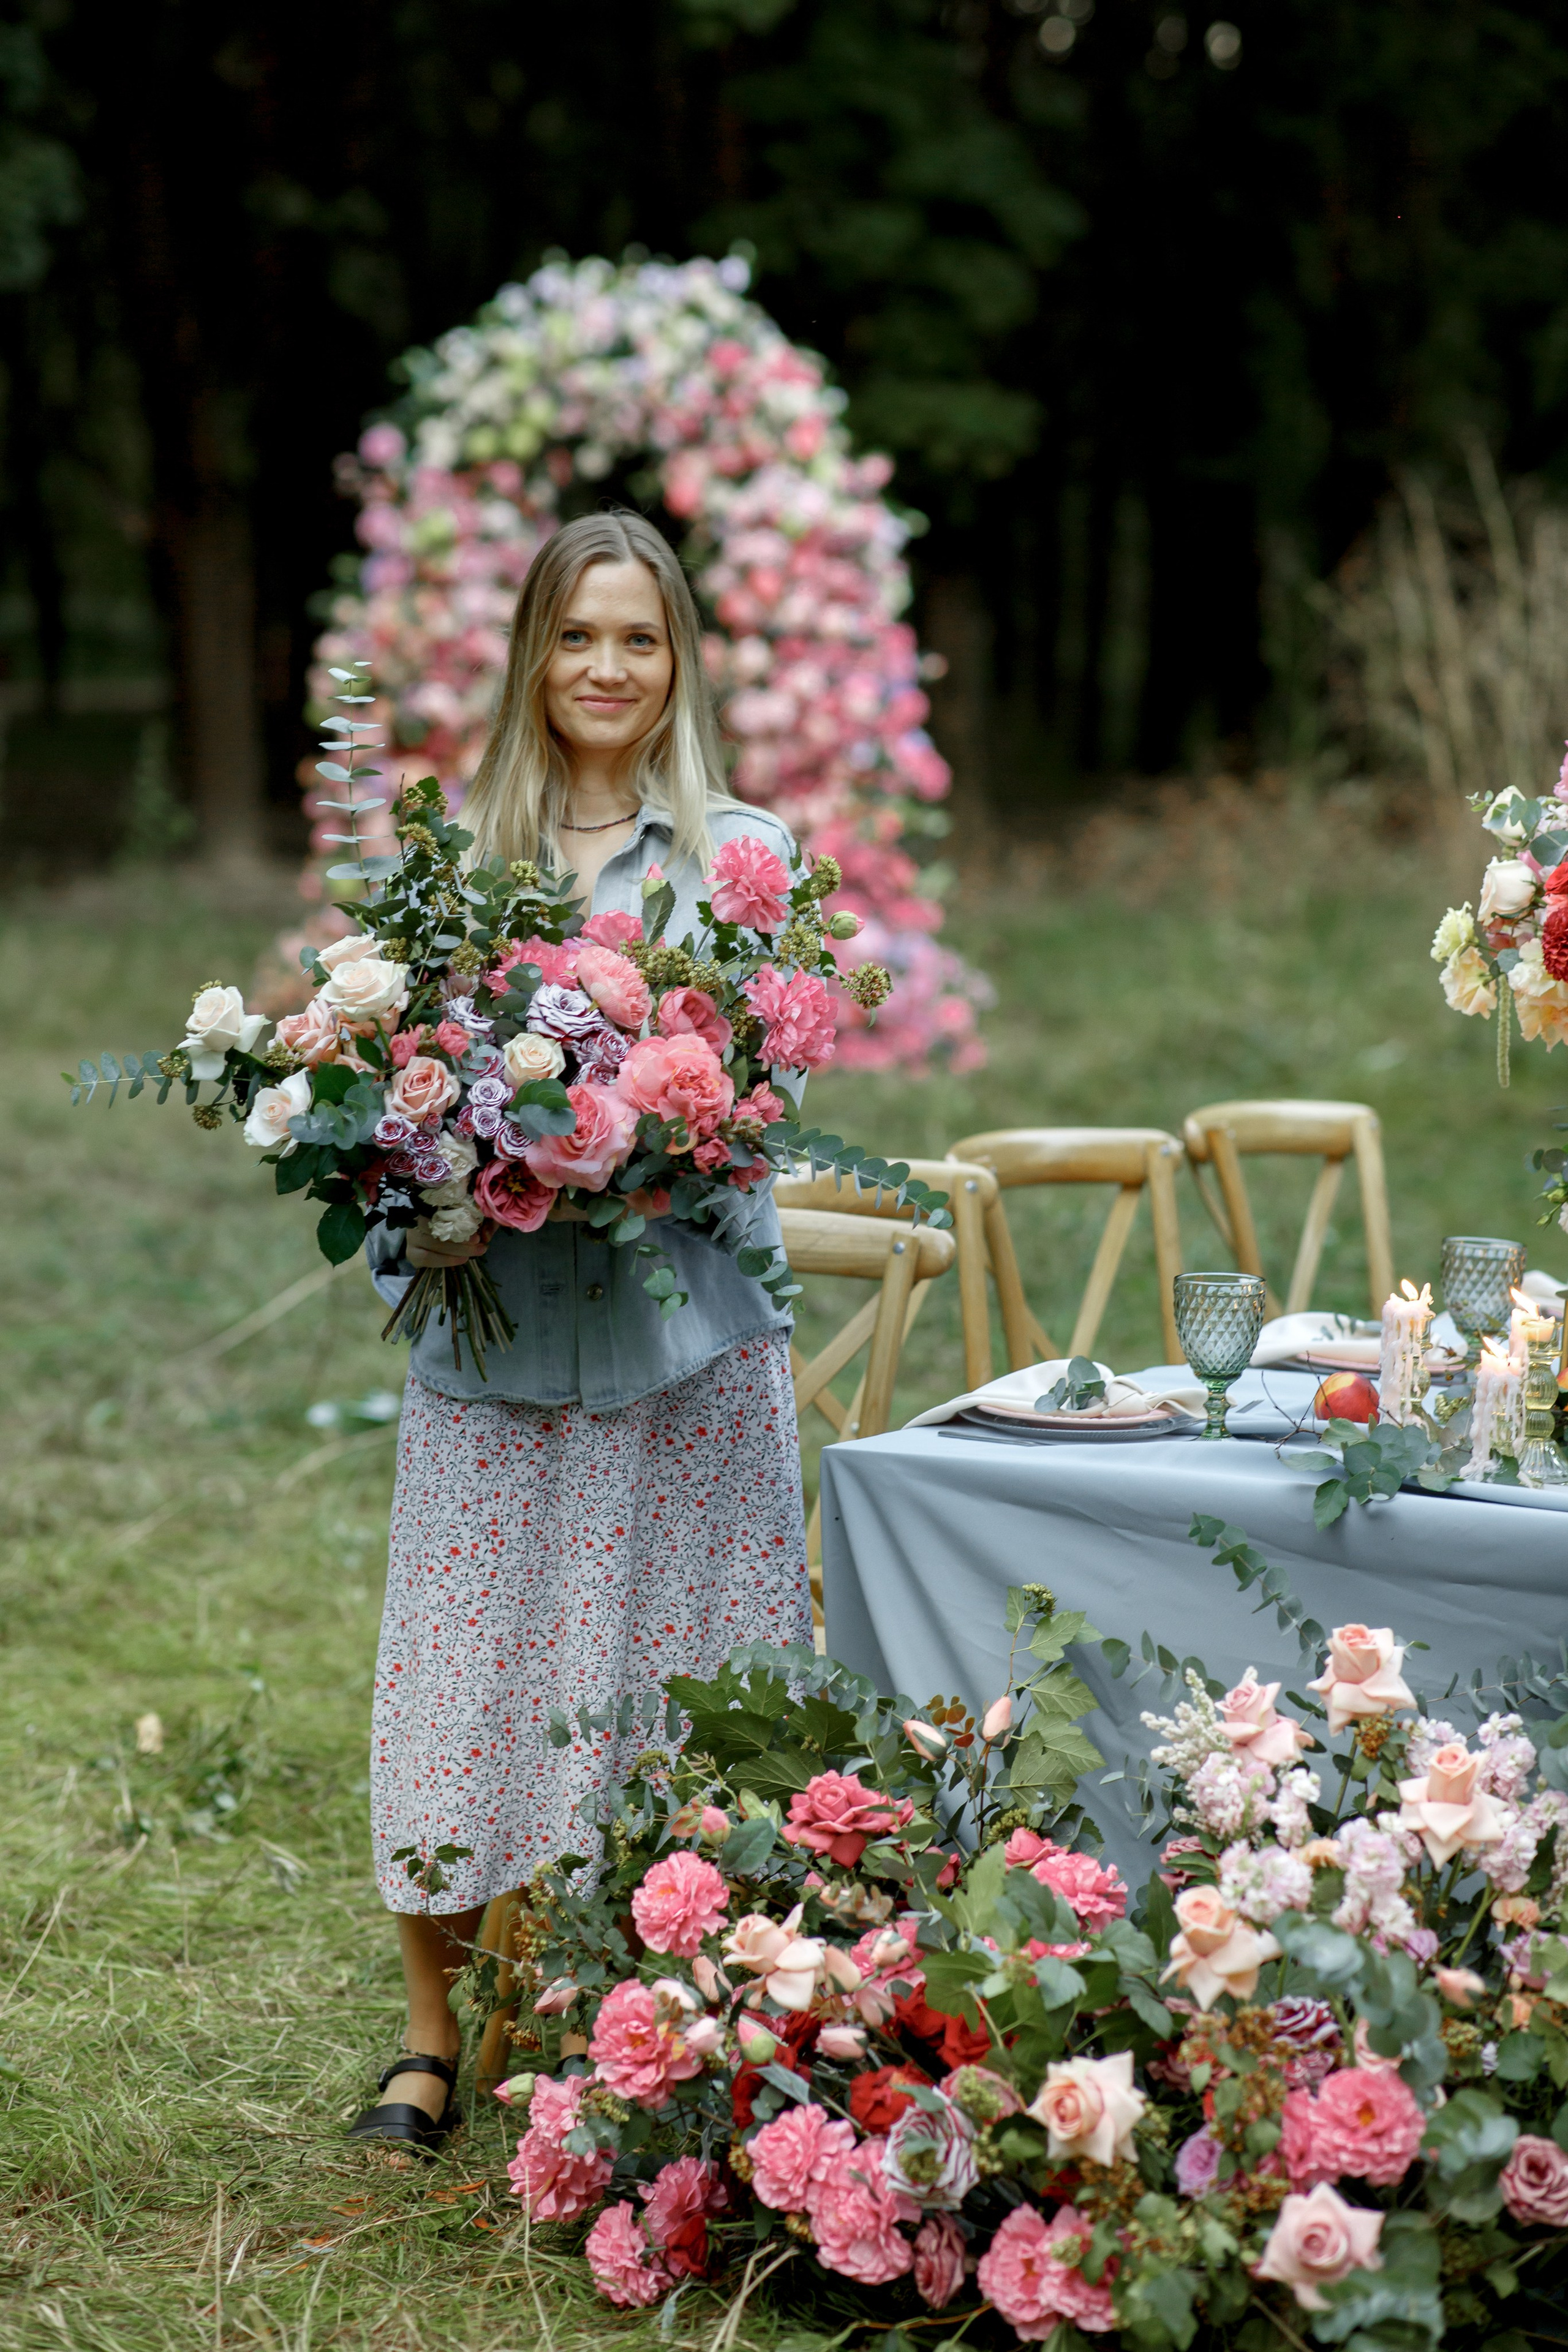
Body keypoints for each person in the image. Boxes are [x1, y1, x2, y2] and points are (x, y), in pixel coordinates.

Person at [347, 511, 812, 2152]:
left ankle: (662, 2017)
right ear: (534, 657)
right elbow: (374, 1112)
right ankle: (427, 2036)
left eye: (639, 636)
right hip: (495, 1336)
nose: (607, 667)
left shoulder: (743, 858)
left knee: (668, 1691)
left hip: (683, 1345)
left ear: (679, 658)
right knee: (459, 1677)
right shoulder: (456, 866)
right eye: (578, 635)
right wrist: (427, 1175)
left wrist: (650, 1128)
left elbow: (770, 1098)